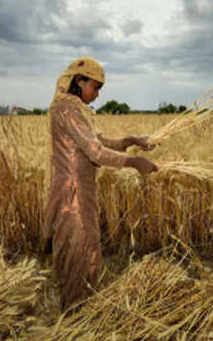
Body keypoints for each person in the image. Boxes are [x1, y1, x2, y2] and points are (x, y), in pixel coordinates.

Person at [43, 56, 158, 311]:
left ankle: (81, 310)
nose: (97, 94)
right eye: (95, 87)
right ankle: (75, 316)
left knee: (87, 248)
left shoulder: (75, 108)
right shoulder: (67, 109)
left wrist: (130, 140)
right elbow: (95, 151)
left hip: (81, 191)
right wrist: (132, 162)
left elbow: (100, 142)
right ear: (79, 80)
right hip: (72, 194)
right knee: (80, 253)